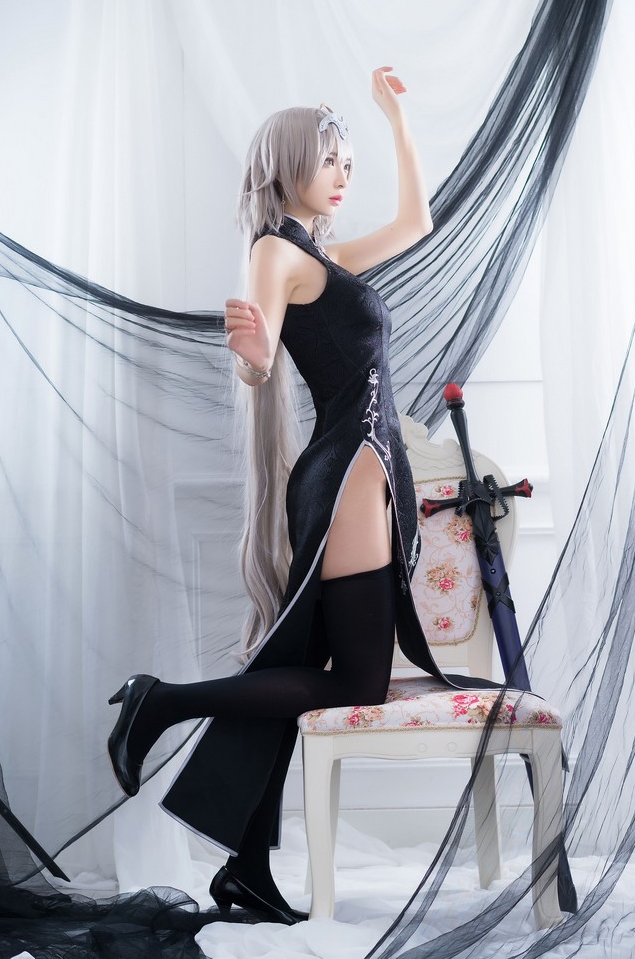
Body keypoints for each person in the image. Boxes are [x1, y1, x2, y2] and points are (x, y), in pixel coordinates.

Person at [107, 66, 495, 926]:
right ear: (286, 164)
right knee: (355, 681)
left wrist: (398, 119)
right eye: (330, 159)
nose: (344, 175)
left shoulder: (319, 256)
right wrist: (249, 355)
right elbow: (259, 361)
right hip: (349, 467)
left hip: (363, 467)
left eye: (348, 162)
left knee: (302, 671)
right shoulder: (275, 252)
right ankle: (160, 702)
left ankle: (245, 868)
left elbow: (417, 223)